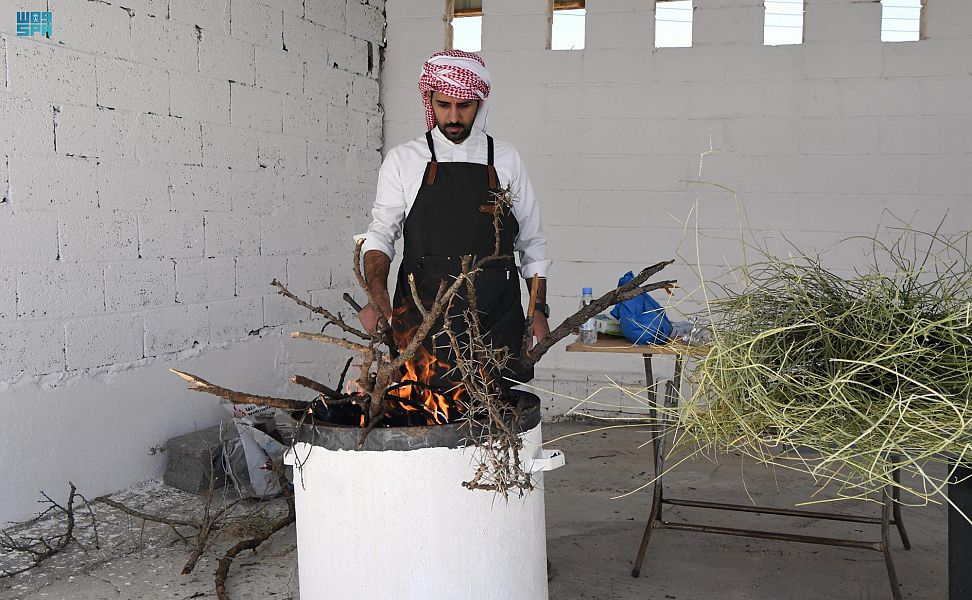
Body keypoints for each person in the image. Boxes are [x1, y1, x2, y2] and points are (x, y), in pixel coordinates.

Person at [356, 50, 550, 387]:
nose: (454, 116)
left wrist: (538, 309)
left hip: (495, 319)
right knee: (420, 402)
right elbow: (381, 235)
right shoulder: (403, 159)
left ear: (480, 104)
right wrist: (377, 296)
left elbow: (531, 241)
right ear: (430, 101)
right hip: (423, 319)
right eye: (444, 105)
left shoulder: (506, 159)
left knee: (494, 407)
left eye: (465, 105)